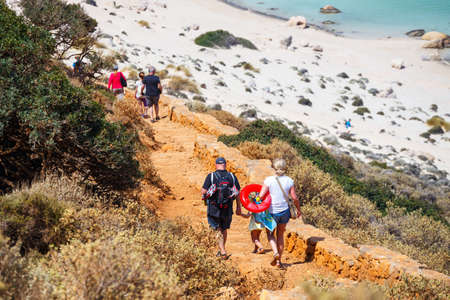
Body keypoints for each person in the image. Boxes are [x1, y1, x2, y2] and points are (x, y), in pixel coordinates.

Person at [258, 158, 301, 268]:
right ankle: (278, 262)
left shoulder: (269, 180)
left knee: (270, 234)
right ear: (284, 167)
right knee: (280, 235)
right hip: (284, 212)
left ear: (274, 167)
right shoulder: (289, 181)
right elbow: (294, 198)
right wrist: (299, 210)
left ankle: (275, 252)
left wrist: (254, 203)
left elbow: (261, 196)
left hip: (272, 212)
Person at [201, 157, 242, 259]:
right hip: (227, 207)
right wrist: (238, 207)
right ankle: (222, 249)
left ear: (216, 165)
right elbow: (237, 193)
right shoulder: (232, 176)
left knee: (217, 228)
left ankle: (223, 250)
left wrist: (206, 197)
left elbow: (204, 191)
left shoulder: (211, 176)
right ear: (225, 165)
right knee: (224, 228)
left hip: (214, 207)